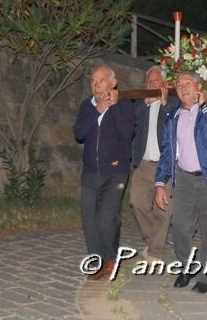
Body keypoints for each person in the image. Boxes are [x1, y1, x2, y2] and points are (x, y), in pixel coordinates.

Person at [154, 72, 207, 294]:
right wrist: (160, 182)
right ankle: (185, 267)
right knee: (180, 225)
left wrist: (205, 106)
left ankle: (206, 274)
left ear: (199, 86)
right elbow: (167, 153)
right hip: (184, 178)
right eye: (178, 84)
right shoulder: (173, 117)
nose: (183, 87)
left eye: (188, 83)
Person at [73, 64, 135, 280]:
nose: (96, 85)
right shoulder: (87, 106)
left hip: (115, 172)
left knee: (106, 218)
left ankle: (111, 258)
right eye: (93, 81)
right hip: (90, 172)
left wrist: (113, 107)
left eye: (100, 80)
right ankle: (97, 261)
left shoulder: (125, 105)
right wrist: (97, 110)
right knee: (89, 218)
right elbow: (79, 133)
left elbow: (127, 133)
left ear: (113, 83)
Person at [130, 66, 178, 262]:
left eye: (156, 81)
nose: (152, 85)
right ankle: (154, 240)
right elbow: (132, 120)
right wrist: (145, 104)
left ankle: (155, 251)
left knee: (163, 210)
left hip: (164, 165)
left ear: (165, 84)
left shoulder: (173, 104)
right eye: (149, 82)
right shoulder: (141, 104)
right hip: (143, 163)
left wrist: (164, 104)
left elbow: (174, 125)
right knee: (137, 202)